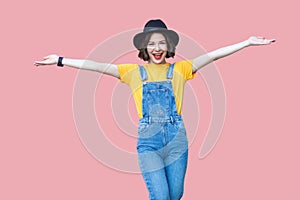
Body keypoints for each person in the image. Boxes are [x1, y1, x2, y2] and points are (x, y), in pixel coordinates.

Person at [35, 19, 275, 200]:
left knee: (176, 195)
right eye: (152, 43)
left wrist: (247, 42)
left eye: (161, 43)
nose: (157, 48)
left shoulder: (181, 69)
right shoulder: (131, 72)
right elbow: (96, 66)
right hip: (148, 143)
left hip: (177, 140)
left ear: (168, 45)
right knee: (160, 197)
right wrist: (60, 60)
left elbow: (213, 55)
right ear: (145, 47)